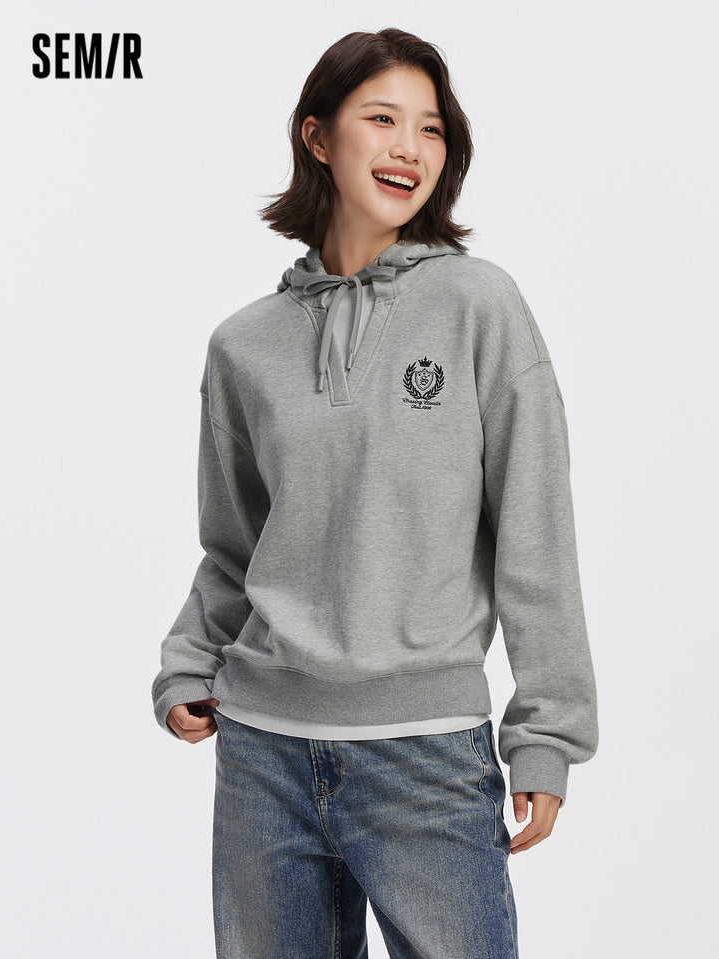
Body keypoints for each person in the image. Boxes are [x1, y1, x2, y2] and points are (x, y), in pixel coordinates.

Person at [151, 26, 599, 959]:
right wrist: (190, 661)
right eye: (383, 119)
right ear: (318, 137)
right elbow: (235, 545)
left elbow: (536, 531)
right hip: (261, 753)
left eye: (431, 128)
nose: (409, 149)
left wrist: (547, 731)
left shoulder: (480, 306)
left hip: (426, 756)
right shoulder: (243, 345)